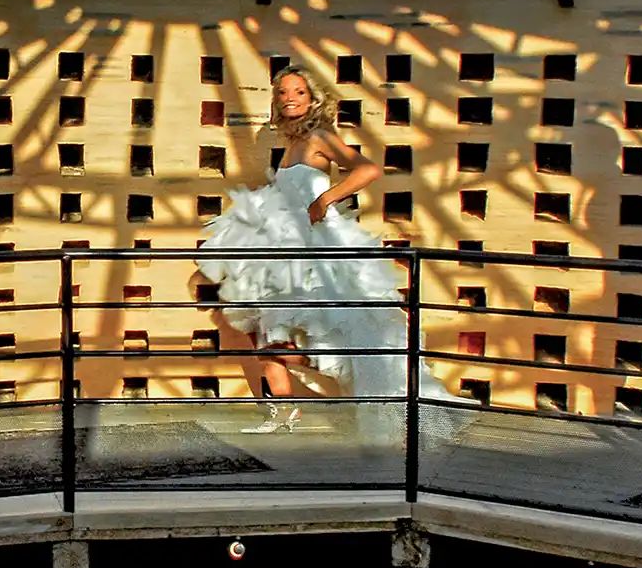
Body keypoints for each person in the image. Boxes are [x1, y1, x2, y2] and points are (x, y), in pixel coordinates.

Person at [195, 65, 461, 443]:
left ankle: (385, 399)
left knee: (342, 330)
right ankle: (284, 410)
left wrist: (328, 197)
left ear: (313, 98)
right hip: (288, 247)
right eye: (283, 92)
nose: (289, 98)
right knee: (267, 330)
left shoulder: (321, 136)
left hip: (318, 244)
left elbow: (366, 169)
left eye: (299, 92)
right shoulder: (291, 145)